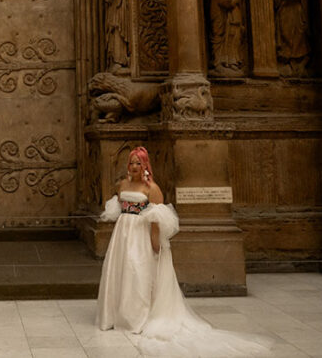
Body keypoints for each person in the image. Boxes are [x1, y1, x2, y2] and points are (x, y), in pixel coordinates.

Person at [96, 147, 270, 356]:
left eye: (138, 163)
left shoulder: (152, 188)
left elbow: (156, 216)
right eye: (131, 162)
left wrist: (154, 240)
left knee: (138, 272)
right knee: (121, 271)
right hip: (123, 233)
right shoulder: (122, 184)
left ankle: (138, 317)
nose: (134, 166)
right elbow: (120, 207)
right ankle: (118, 315)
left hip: (141, 234)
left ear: (145, 166)